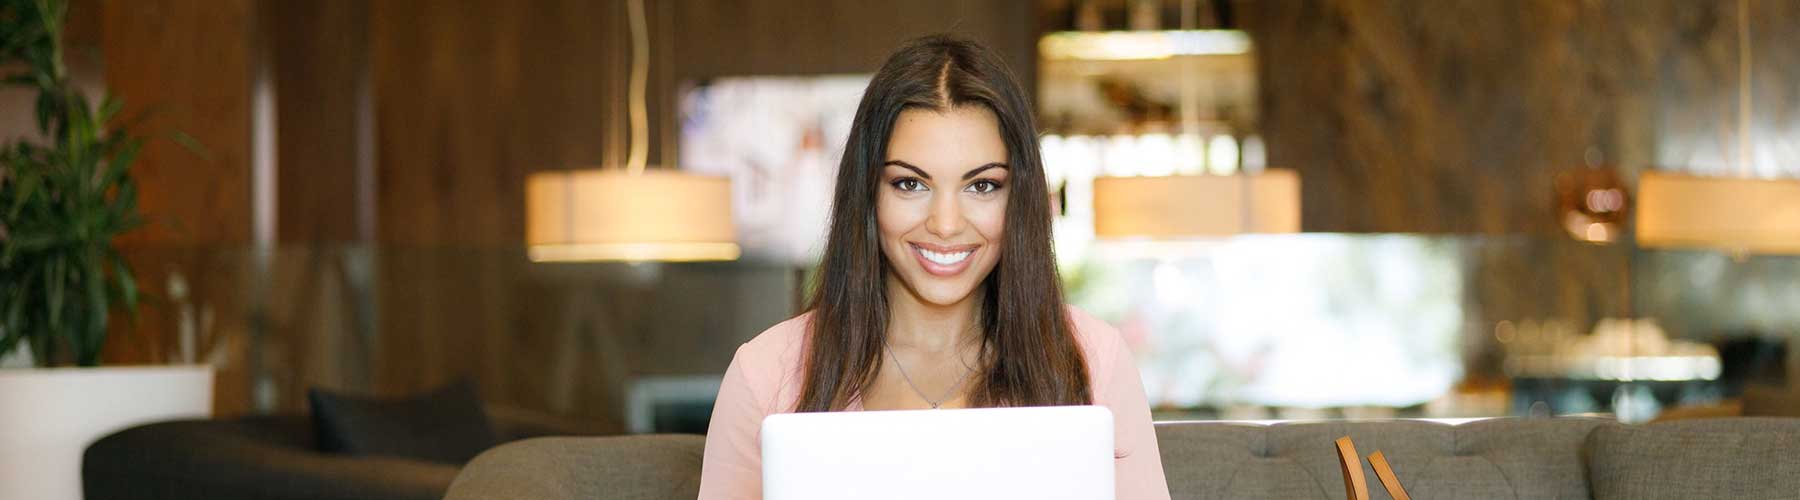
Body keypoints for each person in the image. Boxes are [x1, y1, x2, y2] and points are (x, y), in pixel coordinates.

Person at [698, 34, 1171, 500]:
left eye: (982, 186)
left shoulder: (1093, 360)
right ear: (867, 192)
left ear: (1020, 198)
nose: (945, 225)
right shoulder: (764, 374)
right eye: (910, 184)